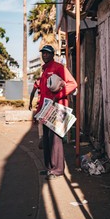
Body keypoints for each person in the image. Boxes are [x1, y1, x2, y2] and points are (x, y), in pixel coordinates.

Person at [37, 44, 77, 180]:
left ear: (52, 54)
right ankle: (49, 168)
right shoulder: (44, 70)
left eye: (48, 53)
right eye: (43, 53)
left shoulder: (59, 67)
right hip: (46, 110)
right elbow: (42, 94)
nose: (45, 55)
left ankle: (58, 170)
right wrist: (38, 111)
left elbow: (73, 84)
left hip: (57, 108)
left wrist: (58, 96)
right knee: (47, 141)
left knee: (56, 141)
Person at [29, 77, 43, 149]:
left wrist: (30, 103)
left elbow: (32, 93)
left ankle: (41, 139)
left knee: (40, 122)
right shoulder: (50, 78)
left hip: (40, 103)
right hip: (49, 102)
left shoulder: (38, 81)